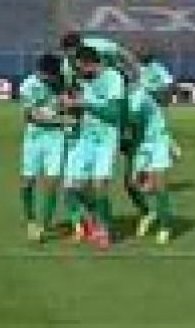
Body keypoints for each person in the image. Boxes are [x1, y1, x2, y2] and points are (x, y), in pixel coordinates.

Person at [60, 46, 124, 249]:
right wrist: (68, 108)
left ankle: (103, 231)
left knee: (99, 184)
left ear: (91, 64)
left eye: (81, 67)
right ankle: (94, 222)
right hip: (84, 139)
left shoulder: (113, 78)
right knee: (72, 187)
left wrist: (84, 104)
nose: (79, 71)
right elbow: (75, 107)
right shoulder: (79, 80)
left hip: (105, 140)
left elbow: (114, 114)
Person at [19, 53, 71, 242]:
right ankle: (31, 220)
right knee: (27, 181)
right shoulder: (28, 86)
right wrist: (61, 120)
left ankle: (43, 224)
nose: (48, 79)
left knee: (52, 181)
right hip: (34, 138)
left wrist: (68, 111)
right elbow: (30, 116)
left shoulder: (64, 82)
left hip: (56, 139)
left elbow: (70, 105)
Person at [127, 85, 174, 244]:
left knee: (159, 184)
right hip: (140, 142)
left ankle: (165, 227)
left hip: (157, 141)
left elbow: (130, 121)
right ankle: (148, 213)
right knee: (131, 184)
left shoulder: (138, 96)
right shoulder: (120, 97)